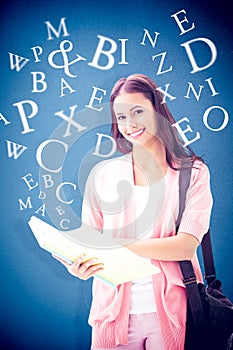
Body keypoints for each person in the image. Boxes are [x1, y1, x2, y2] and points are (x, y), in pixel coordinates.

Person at [53, 74, 213, 350]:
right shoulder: (102, 174)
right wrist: (79, 265)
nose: (130, 124)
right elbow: (89, 242)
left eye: (137, 111)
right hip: (112, 314)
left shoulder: (193, 172)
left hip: (174, 313)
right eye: (122, 117)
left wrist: (118, 245)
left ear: (158, 109)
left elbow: (186, 246)